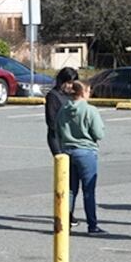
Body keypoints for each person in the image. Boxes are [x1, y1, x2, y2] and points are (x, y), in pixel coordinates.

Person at [56, 80, 106, 234]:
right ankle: (92, 225)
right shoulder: (90, 110)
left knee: (70, 191)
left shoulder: (63, 109)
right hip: (85, 152)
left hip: (67, 151)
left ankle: (64, 223)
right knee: (88, 190)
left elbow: (57, 130)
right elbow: (99, 133)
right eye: (89, 91)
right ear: (83, 92)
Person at [45, 67, 79, 226]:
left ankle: (69, 212)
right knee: (64, 177)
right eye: (69, 83)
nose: (71, 86)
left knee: (74, 179)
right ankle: (63, 214)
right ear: (62, 81)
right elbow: (51, 123)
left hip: (72, 140)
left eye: (73, 83)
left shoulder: (72, 96)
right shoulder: (53, 96)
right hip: (58, 141)